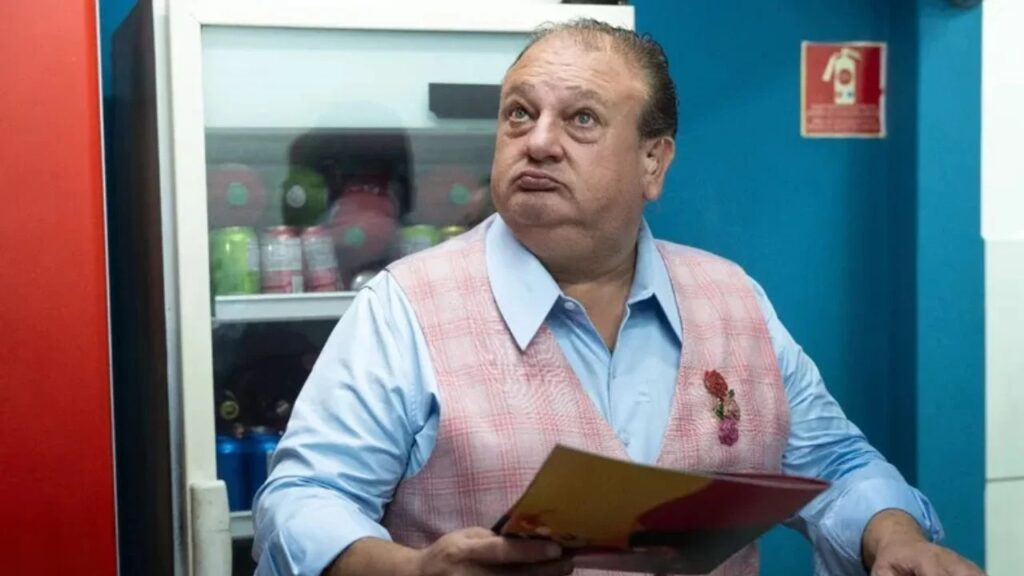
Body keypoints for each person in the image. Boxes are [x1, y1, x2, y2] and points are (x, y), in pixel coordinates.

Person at [253, 20, 984, 576]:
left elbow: (836, 463)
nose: (538, 142)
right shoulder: (406, 307)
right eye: (519, 114)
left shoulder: (733, 300)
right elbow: (304, 498)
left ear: (652, 161)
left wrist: (895, 536)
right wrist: (411, 572)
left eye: (581, 119)